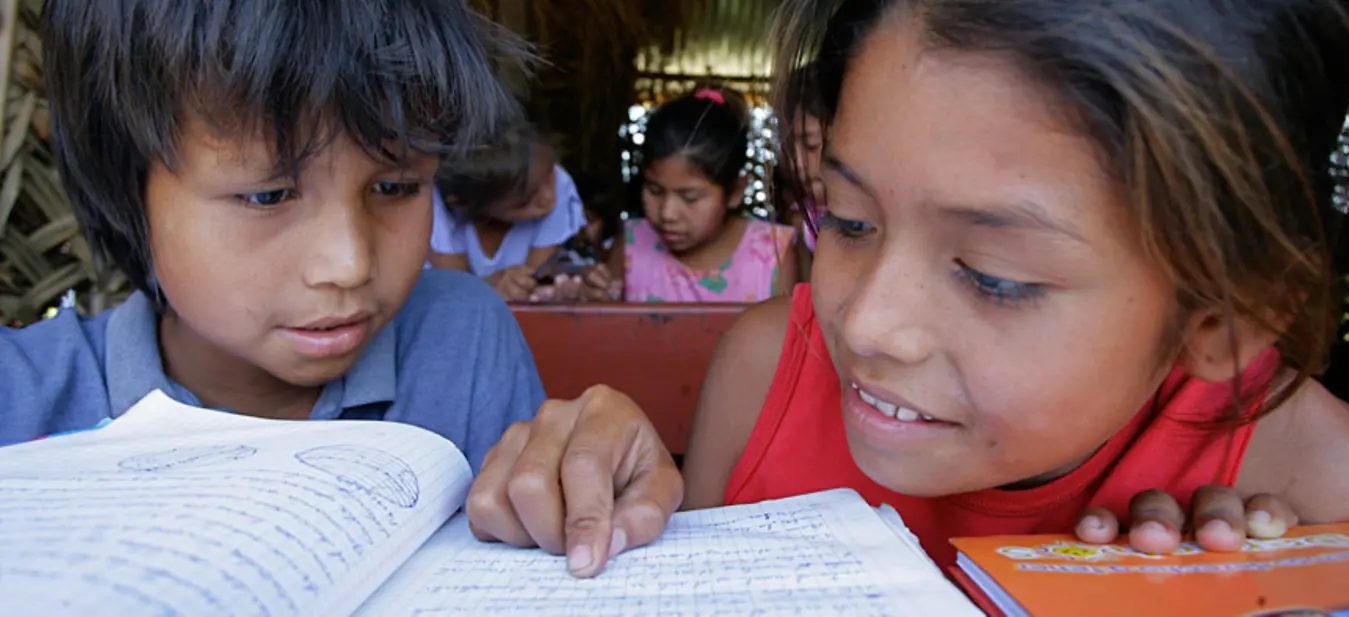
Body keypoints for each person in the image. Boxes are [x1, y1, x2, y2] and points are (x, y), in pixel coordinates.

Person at [466, 0, 1349, 573]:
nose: (867, 322)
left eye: (995, 275)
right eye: (847, 220)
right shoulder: (768, 368)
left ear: (1223, 313)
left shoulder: (1334, 502)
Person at [0, 0, 681, 579]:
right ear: (125, 190)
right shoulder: (24, 401)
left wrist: (585, 478)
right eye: (267, 193)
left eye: (395, 186)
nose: (350, 264)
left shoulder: (463, 337)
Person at [609, 88, 800, 303]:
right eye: (655, 191)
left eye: (690, 197)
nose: (667, 213)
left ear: (735, 191)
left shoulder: (775, 254)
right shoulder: (631, 246)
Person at [429, 123, 612, 302]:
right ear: (465, 205)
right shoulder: (433, 207)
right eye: (525, 201)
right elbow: (454, 294)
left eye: (550, 176)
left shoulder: (557, 183)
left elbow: (536, 280)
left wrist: (575, 285)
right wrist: (491, 287)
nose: (549, 198)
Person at [781, 62, 829, 281]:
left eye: (811, 145)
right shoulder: (802, 219)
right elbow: (805, 298)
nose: (798, 163)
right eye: (791, 149)